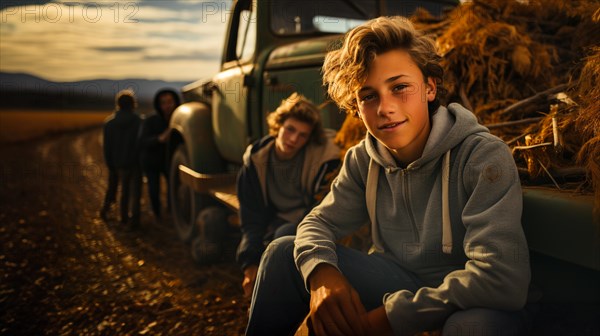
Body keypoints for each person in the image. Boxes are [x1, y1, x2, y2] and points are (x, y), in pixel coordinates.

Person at [245, 17, 531, 336]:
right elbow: (317, 223)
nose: (385, 108)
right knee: (283, 252)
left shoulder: (481, 155)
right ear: (356, 106)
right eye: (368, 96)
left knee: (470, 327)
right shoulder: (362, 159)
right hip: (396, 280)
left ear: (430, 87)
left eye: (399, 87)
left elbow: (500, 279)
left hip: (470, 297)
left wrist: (383, 320)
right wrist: (323, 275)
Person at [236, 93, 341, 298]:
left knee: (283, 238)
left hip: (306, 218)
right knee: (263, 246)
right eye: (290, 130)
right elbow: (251, 218)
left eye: (302, 135)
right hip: (274, 217)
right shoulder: (256, 161)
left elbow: (321, 210)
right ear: (278, 126)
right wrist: (249, 263)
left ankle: (284, 296)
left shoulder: (321, 160)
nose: (293, 139)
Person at [100, 89, 143, 228]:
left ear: (118, 104)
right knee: (134, 192)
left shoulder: (109, 123)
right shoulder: (139, 122)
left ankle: (115, 214)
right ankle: (134, 219)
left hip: (117, 163)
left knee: (116, 189)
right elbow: (142, 144)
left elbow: (107, 147)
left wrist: (110, 164)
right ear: (133, 104)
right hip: (135, 163)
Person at [139, 89, 180, 220]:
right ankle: (157, 214)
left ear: (175, 102)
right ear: (159, 105)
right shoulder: (150, 120)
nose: (167, 106)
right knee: (154, 190)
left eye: (170, 102)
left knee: (172, 188)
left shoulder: (179, 121)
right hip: (151, 162)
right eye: (163, 103)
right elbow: (142, 141)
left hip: (169, 162)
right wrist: (159, 139)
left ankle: (171, 212)